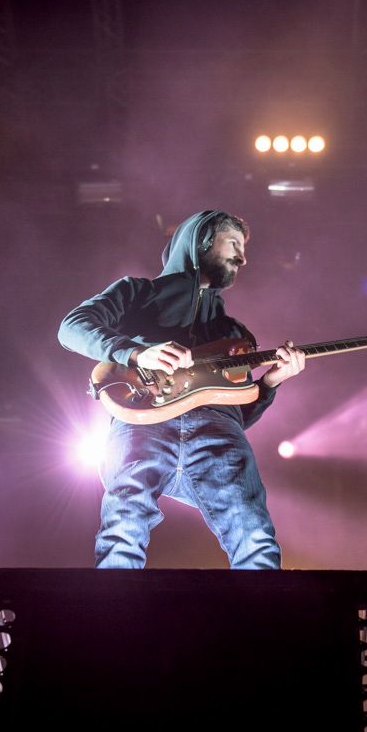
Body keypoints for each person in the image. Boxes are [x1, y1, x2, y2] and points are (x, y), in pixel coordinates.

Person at [58, 210, 305, 569]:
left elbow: (239, 413)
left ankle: (264, 607)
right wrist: (138, 353)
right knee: (123, 530)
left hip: (218, 433)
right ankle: (110, 606)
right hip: (142, 422)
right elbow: (72, 327)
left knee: (254, 536)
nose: (242, 258)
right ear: (201, 241)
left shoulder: (234, 332)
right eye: (233, 243)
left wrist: (270, 382)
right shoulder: (137, 293)